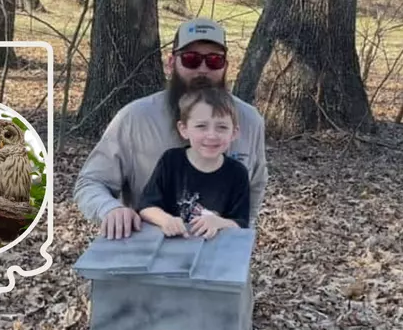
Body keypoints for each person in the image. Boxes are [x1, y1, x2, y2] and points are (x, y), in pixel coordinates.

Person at [73, 17, 268, 240]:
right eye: (191, 59)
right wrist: (110, 209)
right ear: (171, 62)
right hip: (146, 250)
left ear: (225, 66)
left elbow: (256, 185)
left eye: (214, 60)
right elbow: (90, 182)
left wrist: (239, 234)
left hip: (219, 256)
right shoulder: (135, 118)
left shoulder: (250, 121)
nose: (203, 69)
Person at [136, 86, 250, 240]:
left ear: (234, 133)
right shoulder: (171, 161)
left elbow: (241, 224)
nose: (211, 135)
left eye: (222, 127)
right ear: (184, 129)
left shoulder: (237, 173)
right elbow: (146, 207)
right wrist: (166, 220)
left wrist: (219, 222)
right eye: (201, 126)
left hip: (215, 253)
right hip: (169, 248)